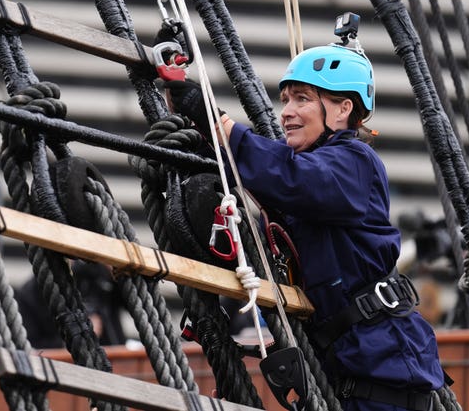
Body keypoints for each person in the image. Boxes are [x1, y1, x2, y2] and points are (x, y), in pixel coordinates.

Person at [165, 42, 445, 411]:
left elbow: (290, 177)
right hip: (350, 372)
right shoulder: (312, 173)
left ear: (344, 109)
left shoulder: (354, 163)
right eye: (285, 101)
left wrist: (220, 125)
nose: (287, 113)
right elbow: (269, 183)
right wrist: (203, 138)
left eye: (302, 99)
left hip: (382, 375)